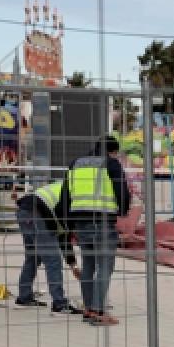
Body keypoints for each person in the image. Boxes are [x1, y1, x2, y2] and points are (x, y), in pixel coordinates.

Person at [61, 135, 130, 326]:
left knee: (89, 266)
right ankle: (99, 311)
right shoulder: (111, 163)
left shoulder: (76, 163)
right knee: (104, 267)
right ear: (112, 151)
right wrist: (123, 210)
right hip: (102, 221)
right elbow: (121, 190)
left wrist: (68, 221)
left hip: (80, 222)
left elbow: (66, 192)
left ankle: (89, 310)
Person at [14, 179, 83, 315]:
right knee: (53, 259)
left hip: (24, 211)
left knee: (33, 257)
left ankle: (24, 297)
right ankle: (59, 304)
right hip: (37, 213)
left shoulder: (70, 189)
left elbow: (64, 237)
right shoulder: (75, 199)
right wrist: (73, 264)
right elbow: (65, 237)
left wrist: (73, 265)